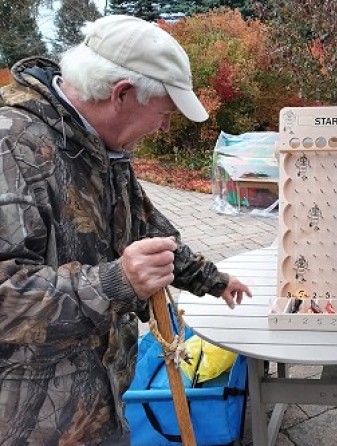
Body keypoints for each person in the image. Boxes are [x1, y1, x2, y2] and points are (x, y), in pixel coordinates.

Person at [0, 15, 252, 445]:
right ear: (122, 94)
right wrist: (116, 281)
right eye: (165, 113)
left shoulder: (102, 147)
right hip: (36, 423)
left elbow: (146, 230)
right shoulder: (14, 148)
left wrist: (214, 280)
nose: (165, 128)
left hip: (104, 401)